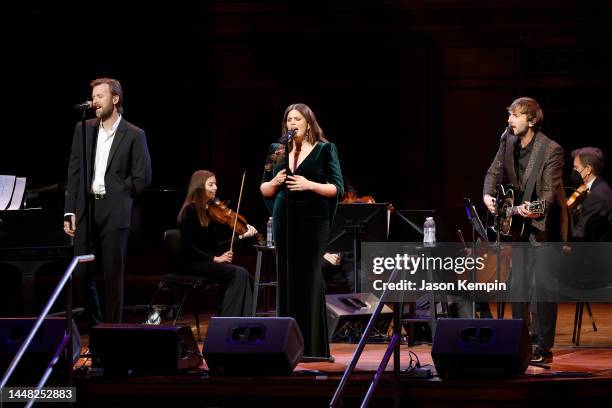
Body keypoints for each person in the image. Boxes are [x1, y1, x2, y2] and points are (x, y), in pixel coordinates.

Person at [483, 97, 567, 364]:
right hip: (518, 226)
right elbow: (494, 172)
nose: (509, 120)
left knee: (543, 288)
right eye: (509, 115)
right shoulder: (507, 141)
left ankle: (544, 346)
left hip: (543, 225)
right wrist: (487, 195)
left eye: (515, 116)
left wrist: (527, 209)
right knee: (517, 284)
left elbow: (548, 197)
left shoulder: (552, 150)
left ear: (531, 121)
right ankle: (521, 339)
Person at [64, 77, 152, 325]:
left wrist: (122, 195)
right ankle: (97, 325)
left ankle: (112, 332)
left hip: (114, 209)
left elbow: (143, 176)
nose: (94, 102)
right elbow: (74, 172)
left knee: (113, 275)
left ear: (115, 99)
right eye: (93, 97)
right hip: (86, 208)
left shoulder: (134, 134)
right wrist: (69, 210)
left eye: (99, 97)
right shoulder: (84, 129)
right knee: (80, 273)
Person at [261, 103, 344, 361]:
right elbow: (263, 188)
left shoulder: (325, 149)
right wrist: (274, 182)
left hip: (314, 221)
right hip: (285, 219)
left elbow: (336, 189)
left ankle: (314, 348)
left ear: (308, 123)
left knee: (310, 279)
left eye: (297, 119)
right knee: (286, 279)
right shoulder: (276, 151)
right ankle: (286, 347)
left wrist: (309, 184)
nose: (292, 123)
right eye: (288, 119)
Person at [178, 170, 257, 317]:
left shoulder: (208, 213)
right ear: (199, 187)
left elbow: (215, 247)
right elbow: (189, 247)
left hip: (205, 262)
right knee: (238, 273)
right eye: (211, 184)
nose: (215, 188)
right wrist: (215, 259)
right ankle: (227, 323)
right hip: (192, 264)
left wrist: (241, 237)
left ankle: (243, 321)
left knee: (245, 275)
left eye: (215, 184)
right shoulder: (189, 211)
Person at [570, 147, 612, 242]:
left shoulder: (596, 196)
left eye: (576, 167)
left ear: (588, 169)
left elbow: (586, 235)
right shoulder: (600, 185)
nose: (573, 170)